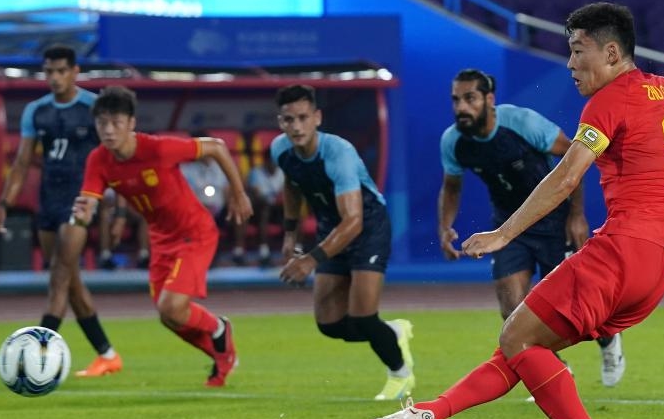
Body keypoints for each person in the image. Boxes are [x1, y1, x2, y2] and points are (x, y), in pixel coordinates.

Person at [365, 3, 664, 419]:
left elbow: (565, 177)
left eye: (579, 52)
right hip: (658, 265)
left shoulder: (607, 101)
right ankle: (426, 413)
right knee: (520, 346)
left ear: (613, 52)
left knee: (517, 338)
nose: (571, 64)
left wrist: (502, 232)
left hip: (620, 251)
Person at [438, 68, 626, 389]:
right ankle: (556, 371)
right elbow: (452, 187)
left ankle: (609, 342)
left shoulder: (521, 123)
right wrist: (444, 227)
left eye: (469, 99)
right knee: (511, 307)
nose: (461, 108)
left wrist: (576, 216)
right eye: (456, 100)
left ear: (489, 100)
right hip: (507, 227)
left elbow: (573, 157)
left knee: (578, 305)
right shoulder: (454, 141)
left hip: (553, 221)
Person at [67, 86, 253, 388]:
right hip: (161, 239)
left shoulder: (158, 149)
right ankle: (221, 354)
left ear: (131, 123)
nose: (109, 130)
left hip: (195, 232)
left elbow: (217, 146)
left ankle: (219, 329)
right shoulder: (98, 159)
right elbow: (89, 203)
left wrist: (239, 193)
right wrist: (82, 215)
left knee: (171, 307)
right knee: (170, 317)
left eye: (116, 122)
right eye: (102, 123)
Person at [272, 85, 415, 401]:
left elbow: (353, 221)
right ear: (280, 121)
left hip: (367, 227)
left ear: (317, 118)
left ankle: (400, 374)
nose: (296, 126)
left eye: (303, 118)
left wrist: (309, 259)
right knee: (330, 324)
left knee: (363, 316)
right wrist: (290, 235)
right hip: (330, 230)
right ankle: (391, 332)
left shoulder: (339, 153)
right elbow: (293, 184)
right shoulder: (280, 149)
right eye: (288, 119)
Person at [0, 44, 121, 378]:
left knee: (59, 275)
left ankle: (40, 350)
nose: (55, 77)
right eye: (49, 71)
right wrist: (4, 203)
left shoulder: (94, 108)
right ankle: (107, 354)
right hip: (48, 202)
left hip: (81, 200)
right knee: (70, 280)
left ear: (75, 72)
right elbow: (21, 164)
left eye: (62, 70)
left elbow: (115, 157)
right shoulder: (37, 111)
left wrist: (117, 207)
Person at [233, 155, 285, 266]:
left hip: (277, 209)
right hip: (257, 210)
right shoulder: (256, 173)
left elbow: (286, 195)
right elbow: (256, 194)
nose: (273, 165)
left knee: (297, 214)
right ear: (265, 162)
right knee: (263, 210)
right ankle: (260, 251)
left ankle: (297, 249)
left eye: (275, 162)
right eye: (271, 162)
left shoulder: (282, 173)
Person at [97, 189, 150, 270]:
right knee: (105, 215)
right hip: (110, 212)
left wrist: (122, 215)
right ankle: (105, 256)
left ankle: (144, 256)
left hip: (128, 211)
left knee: (145, 214)